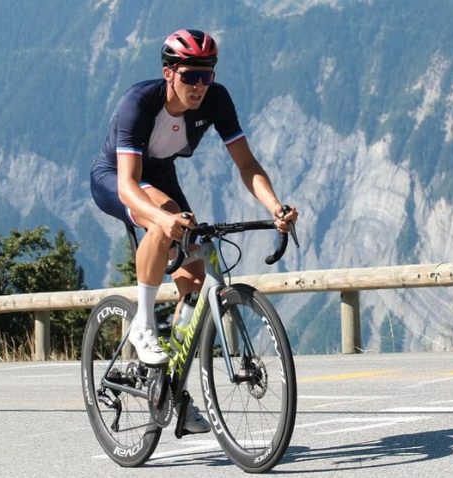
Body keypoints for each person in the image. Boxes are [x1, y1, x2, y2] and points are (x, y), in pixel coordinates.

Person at [90, 29, 299, 433]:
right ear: (169, 73)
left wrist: (275, 207)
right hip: (116, 176)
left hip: (160, 174)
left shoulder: (216, 100)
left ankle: (172, 392)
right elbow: (128, 186)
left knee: (196, 282)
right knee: (165, 216)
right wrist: (161, 217)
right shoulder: (140, 103)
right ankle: (143, 323)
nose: (200, 85)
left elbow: (247, 165)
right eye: (190, 76)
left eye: (208, 75)